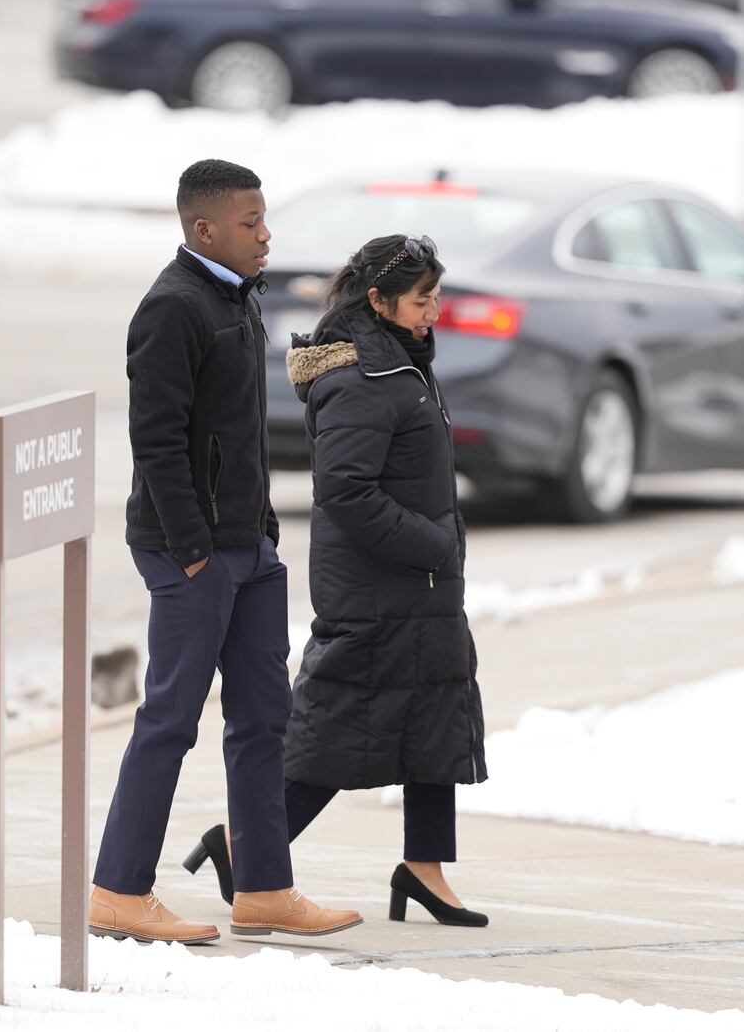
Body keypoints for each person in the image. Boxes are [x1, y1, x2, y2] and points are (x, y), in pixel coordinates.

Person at [89, 159, 362, 945]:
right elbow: (158, 443)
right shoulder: (172, 308)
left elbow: (240, 437)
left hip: (250, 545)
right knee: (171, 716)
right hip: (194, 553)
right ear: (205, 229)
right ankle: (118, 889)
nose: (266, 233)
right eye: (251, 222)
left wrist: (265, 532)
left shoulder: (238, 298)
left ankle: (265, 888)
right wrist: (194, 550)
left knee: (264, 718)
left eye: (264, 218)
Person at [185, 234, 488, 927]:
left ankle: (424, 867)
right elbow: (346, 493)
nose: (433, 311)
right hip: (379, 588)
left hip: (422, 584)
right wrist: (435, 544)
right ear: (378, 300)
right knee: (339, 731)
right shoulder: (358, 376)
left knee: (432, 716)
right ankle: (243, 845)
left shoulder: (399, 360)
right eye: (421, 299)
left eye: (437, 296)